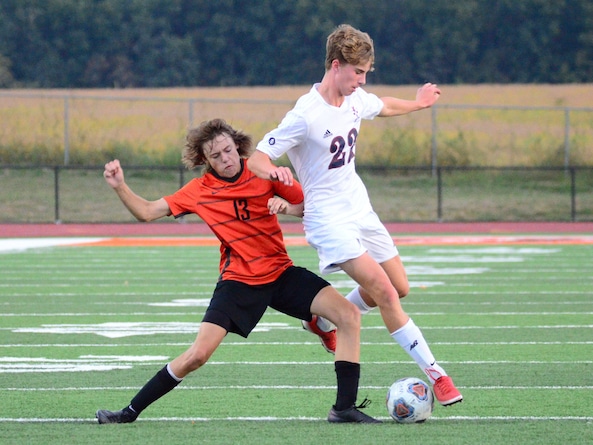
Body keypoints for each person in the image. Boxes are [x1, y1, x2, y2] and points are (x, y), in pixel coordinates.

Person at [95, 118, 381, 424]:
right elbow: (147, 212)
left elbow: (309, 207)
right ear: (205, 160)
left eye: (229, 150)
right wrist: (120, 186)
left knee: (349, 316)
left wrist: (286, 202)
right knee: (197, 356)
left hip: (281, 273)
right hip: (239, 282)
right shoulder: (200, 190)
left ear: (238, 146)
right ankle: (128, 412)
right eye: (216, 156)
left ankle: (343, 409)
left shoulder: (263, 172)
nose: (226, 159)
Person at [248, 24, 463, 407]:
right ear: (336, 65)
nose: (361, 81)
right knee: (383, 292)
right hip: (327, 220)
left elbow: (383, 105)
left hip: (359, 208)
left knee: (398, 287)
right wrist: (274, 172)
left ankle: (321, 320)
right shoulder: (305, 114)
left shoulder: (355, 98)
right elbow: (258, 157)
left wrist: (418, 103)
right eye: (357, 73)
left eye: (366, 73)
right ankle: (439, 376)